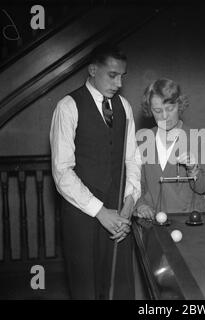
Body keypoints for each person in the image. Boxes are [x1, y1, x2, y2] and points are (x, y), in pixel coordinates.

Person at [50, 44, 141, 299]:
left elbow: (132, 158)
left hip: (119, 215)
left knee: (121, 289)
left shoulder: (124, 106)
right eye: (112, 75)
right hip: (81, 215)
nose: (119, 82)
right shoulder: (67, 106)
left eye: (122, 75)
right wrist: (100, 212)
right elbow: (62, 173)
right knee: (86, 290)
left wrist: (129, 204)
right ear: (92, 70)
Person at [135, 79, 205, 218]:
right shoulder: (143, 140)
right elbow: (138, 184)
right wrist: (140, 205)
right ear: (150, 110)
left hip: (189, 221)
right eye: (157, 111)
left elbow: (202, 188)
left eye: (170, 109)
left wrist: (193, 168)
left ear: (179, 105)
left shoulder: (198, 138)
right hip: (153, 221)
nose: (164, 116)